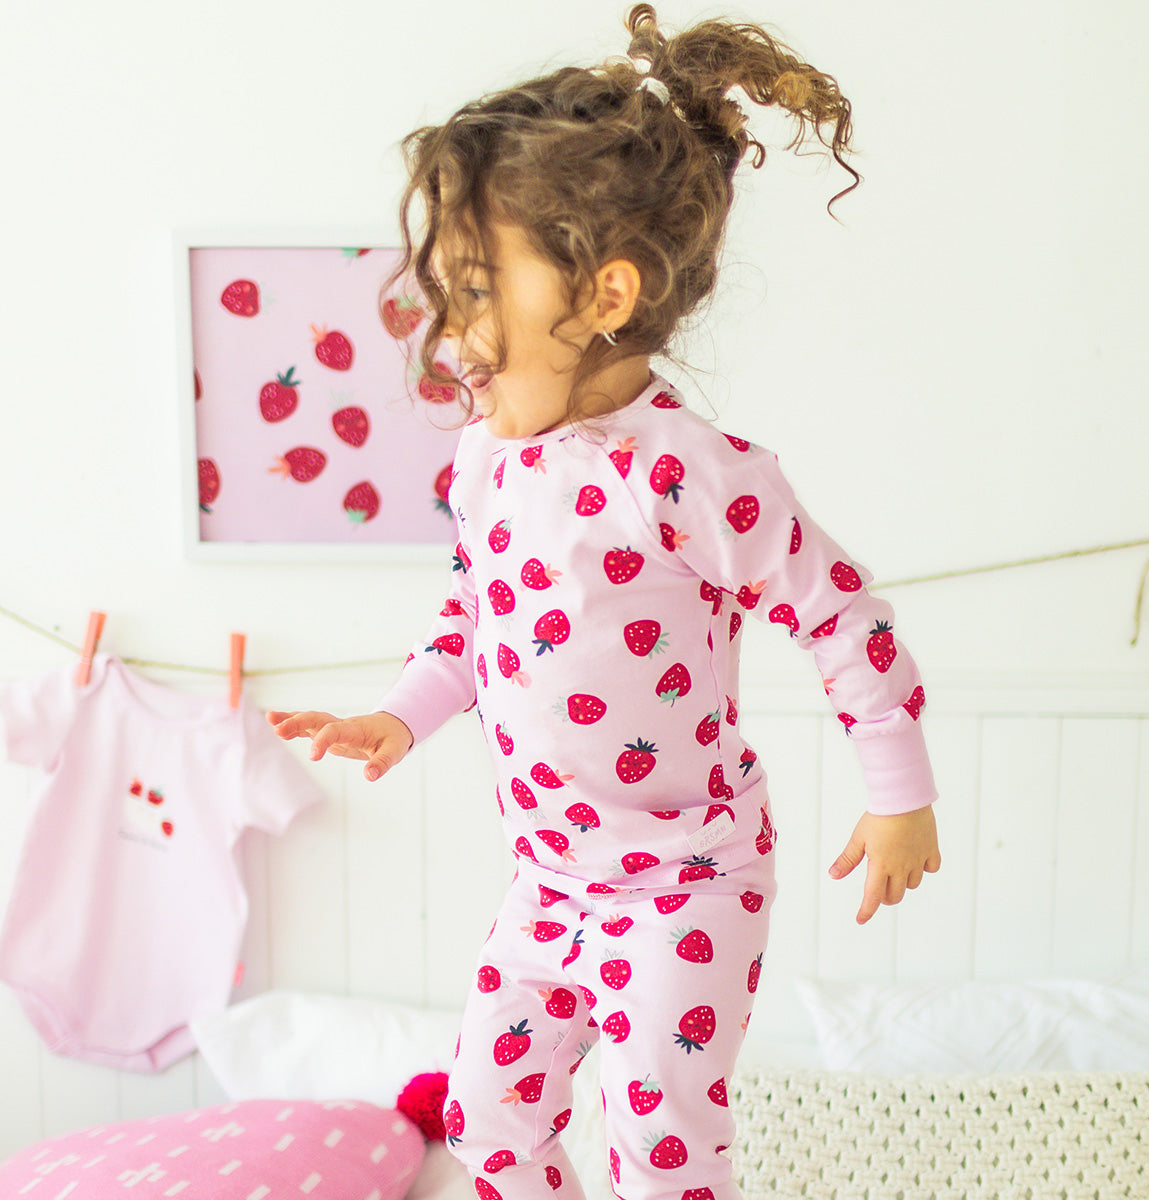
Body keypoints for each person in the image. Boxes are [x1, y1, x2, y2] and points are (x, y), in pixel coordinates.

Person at [268, 6, 940, 1199]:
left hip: (687, 882)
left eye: (476, 291)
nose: (450, 331)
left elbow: (844, 614)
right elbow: (474, 620)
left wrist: (899, 797)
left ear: (604, 293)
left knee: (661, 1155)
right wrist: (400, 715)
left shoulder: (685, 473)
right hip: (551, 879)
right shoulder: (486, 456)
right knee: (487, 1122)